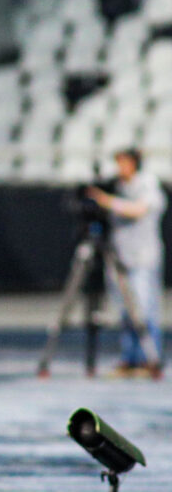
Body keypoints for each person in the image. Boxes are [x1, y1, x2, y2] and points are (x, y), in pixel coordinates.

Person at [86, 148, 167, 375]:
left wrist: (106, 201)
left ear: (134, 164)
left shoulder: (147, 184)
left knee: (143, 309)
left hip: (143, 257)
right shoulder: (118, 187)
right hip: (120, 257)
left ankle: (150, 359)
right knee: (125, 311)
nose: (120, 168)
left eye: (124, 163)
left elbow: (138, 210)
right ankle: (130, 359)